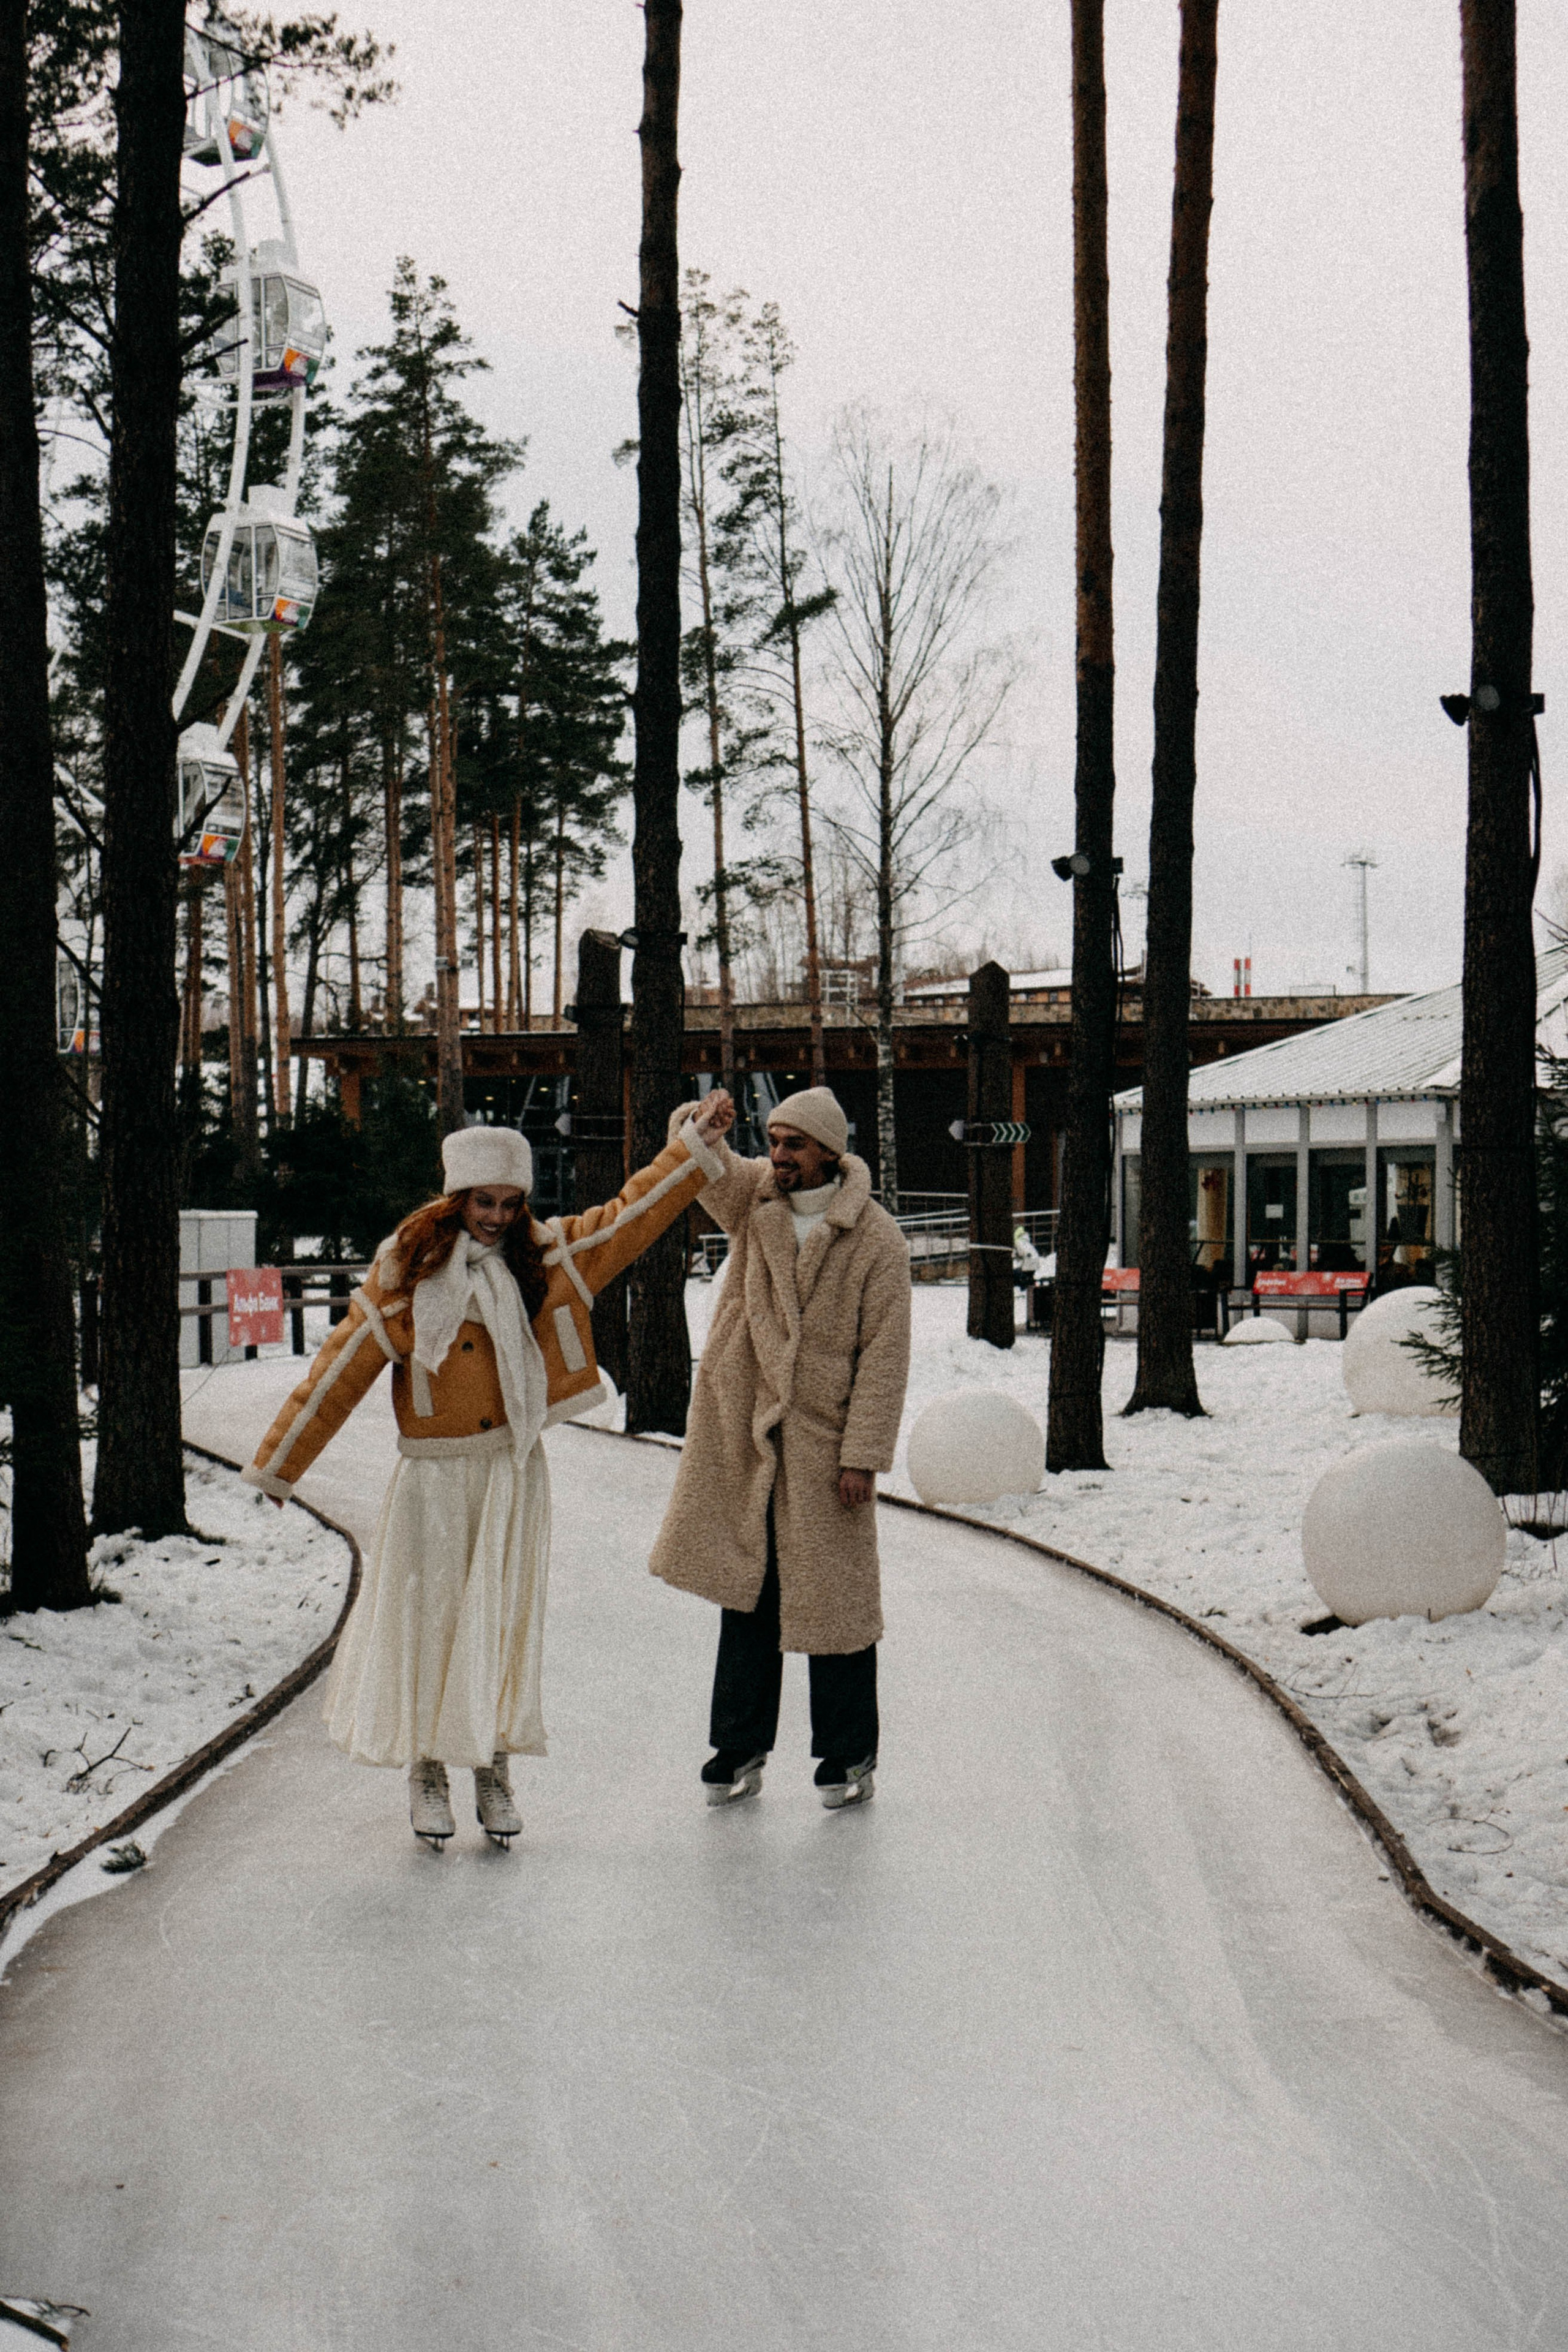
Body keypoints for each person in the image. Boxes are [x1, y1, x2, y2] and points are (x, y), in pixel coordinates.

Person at [244, 1097, 734, 1849]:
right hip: (434, 1479)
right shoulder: (404, 1271)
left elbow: (630, 1217)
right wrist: (280, 1465)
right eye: (484, 1202)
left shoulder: (548, 1257)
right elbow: (338, 1369)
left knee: (498, 1621)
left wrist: (689, 1149)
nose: (498, 1217)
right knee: (433, 1622)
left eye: (511, 1202)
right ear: (455, 1199)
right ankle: (429, 1769)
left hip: (510, 1470)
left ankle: (493, 1765)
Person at [649, 1086, 911, 1808]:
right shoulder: (755, 1202)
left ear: (829, 1149)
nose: (780, 1155)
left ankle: (848, 1753)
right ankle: (738, 1747)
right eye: (774, 1141)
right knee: (747, 1592)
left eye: (795, 1144)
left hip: (825, 1443)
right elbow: (695, 1160)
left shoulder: (875, 1237)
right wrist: (700, 1123)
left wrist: (862, 1455)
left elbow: (884, 1356)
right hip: (746, 1430)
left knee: (836, 1602)